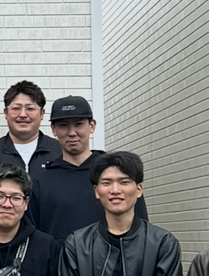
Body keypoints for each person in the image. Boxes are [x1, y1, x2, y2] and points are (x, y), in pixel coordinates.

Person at [28, 97, 149, 242]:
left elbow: (141, 230)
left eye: (79, 124)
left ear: (92, 126)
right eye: (63, 126)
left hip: (114, 256)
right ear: (53, 129)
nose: (72, 132)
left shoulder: (117, 175)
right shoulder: (40, 181)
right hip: (59, 257)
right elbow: (33, 238)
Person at [0, 80, 60, 175]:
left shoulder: (60, 151)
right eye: (16, 108)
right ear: (6, 113)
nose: (23, 115)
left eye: (30, 108)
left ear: (42, 113)